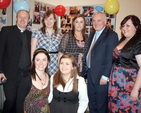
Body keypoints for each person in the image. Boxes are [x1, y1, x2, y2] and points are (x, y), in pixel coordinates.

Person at [82, 12, 118, 113]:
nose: (96, 23)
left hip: (101, 76)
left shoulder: (112, 35)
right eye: (93, 20)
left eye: (99, 20)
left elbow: (111, 58)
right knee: (92, 102)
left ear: (105, 21)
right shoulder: (92, 33)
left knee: (101, 104)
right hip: (90, 74)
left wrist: (105, 76)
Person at [0, 10, 31, 113]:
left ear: (29, 20)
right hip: (10, 74)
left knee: (21, 102)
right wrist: (0, 71)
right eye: (20, 17)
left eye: (25, 17)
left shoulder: (30, 35)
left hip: (26, 75)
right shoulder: (6, 31)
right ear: (16, 18)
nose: (22, 20)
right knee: (10, 100)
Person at [108, 15, 141, 112]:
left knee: (128, 108)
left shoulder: (138, 42)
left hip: (129, 83)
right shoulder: (123, 40)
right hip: (116, 82)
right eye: (123, 25)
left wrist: (135, 89)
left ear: (136, 27)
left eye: (128, 25)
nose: (124, 28)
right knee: (115, 108)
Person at [16, 48, 50, 113]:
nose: (41, 63)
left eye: (44, 60)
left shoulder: (49, 77)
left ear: (48, 61)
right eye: (38, 60)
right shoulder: (26, 80)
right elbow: (19, 104)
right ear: (34, 61)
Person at [31, 10, 62, 76]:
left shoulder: (59, 35)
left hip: (54, 64)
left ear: (54, 20)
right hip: (41, 63)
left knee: (53, 84)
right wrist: (32, 65)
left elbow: (60, 52)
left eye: (50, 19)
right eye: (46, 19)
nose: (48, 21)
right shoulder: (37, 32)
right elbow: (32, 51)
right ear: (43, 20)